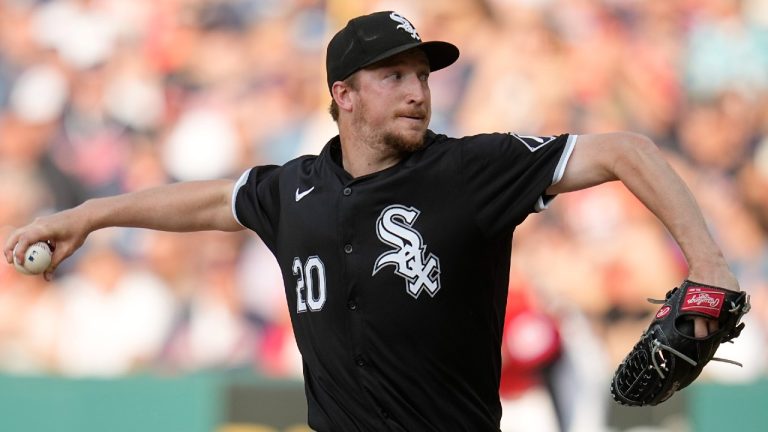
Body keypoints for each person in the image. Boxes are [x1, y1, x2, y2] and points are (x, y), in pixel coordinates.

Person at [4, 11, 740, 431]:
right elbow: (204, 201)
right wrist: (88, 216)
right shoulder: (294, 190)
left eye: (422, 74)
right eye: (394, 75)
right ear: (344, 95)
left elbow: (623, 147)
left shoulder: (468, 171)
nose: (418, 90)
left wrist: (708, 263)